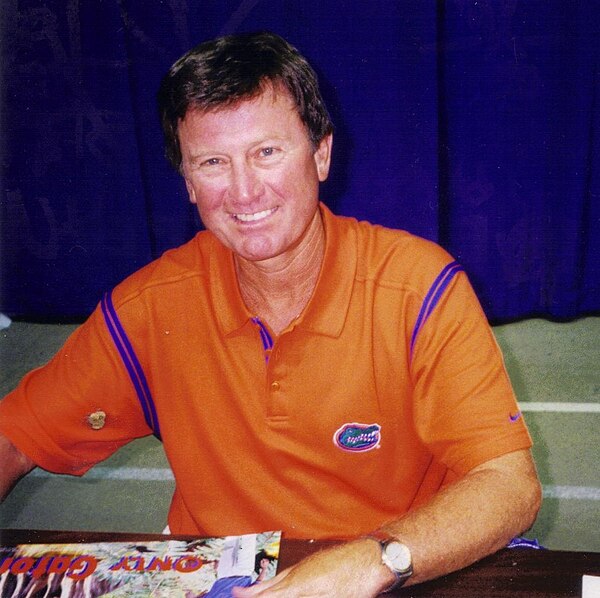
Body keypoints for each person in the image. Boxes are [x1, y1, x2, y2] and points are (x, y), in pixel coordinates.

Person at [0, 31, 541, 596]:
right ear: (187, 182)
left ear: (322, 154)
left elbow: (509, 485)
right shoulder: (149, 306)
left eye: (267, 152)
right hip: (221, 572)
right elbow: (14, 437)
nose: (243, 192)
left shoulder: (418, 287)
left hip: (391, 564)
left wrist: (373, 560)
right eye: (212, 162)